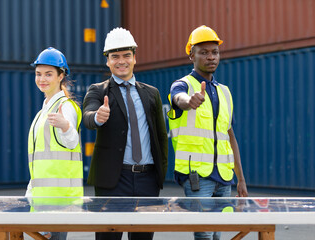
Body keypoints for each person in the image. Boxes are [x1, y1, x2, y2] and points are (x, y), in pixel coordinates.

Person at [83, 27, 168, 240]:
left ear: (134, 58)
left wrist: (159, 175)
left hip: (147, 180)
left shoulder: (152, 93)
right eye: (115, 57)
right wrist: (97, 117)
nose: (121, 61)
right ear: (108, 61)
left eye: (126, 56)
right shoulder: (98, 90)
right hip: (113, 180)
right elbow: (87, 116)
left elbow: (159, 137)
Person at [167, 25, 248, 240]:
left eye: (215, 52)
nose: (211, 57)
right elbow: (178, 99)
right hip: (197, 177)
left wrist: (240, 179)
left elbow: (230, 137)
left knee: (217, 234)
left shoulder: (225, 92)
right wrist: (189, 101)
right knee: (204, 234)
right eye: (204, 52)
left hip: (224, 177)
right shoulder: (182, 85)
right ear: (191, 55)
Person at [27, 47, 83, 240]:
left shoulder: (65, 107)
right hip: (42, 200)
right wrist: (31, 189)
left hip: (58, 201)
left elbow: (72, 141)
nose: (42, 79)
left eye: (48, 74)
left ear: (61, 76)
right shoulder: (42, 112)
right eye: (38, 74)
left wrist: (66, 126)